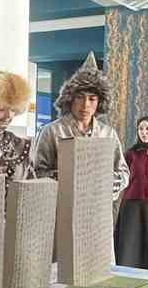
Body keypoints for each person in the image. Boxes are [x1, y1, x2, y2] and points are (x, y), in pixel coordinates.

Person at [30, 54, 129, 204]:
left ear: (99, 102)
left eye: (92, 99)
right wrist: (71, 179)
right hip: (62, 205)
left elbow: (123, 173)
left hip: (98, 207)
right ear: (70, 99)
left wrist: (105, 182)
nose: (85, 105)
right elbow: (37, 172)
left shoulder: (108, 134)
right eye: (80, 97)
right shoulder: (52, 131)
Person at [115, 116, 148, 268]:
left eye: (147, 129)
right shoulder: (130, 153)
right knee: (130, 243)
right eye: (140, 129)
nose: (144, 132)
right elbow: (124, 176)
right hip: (132, 203)